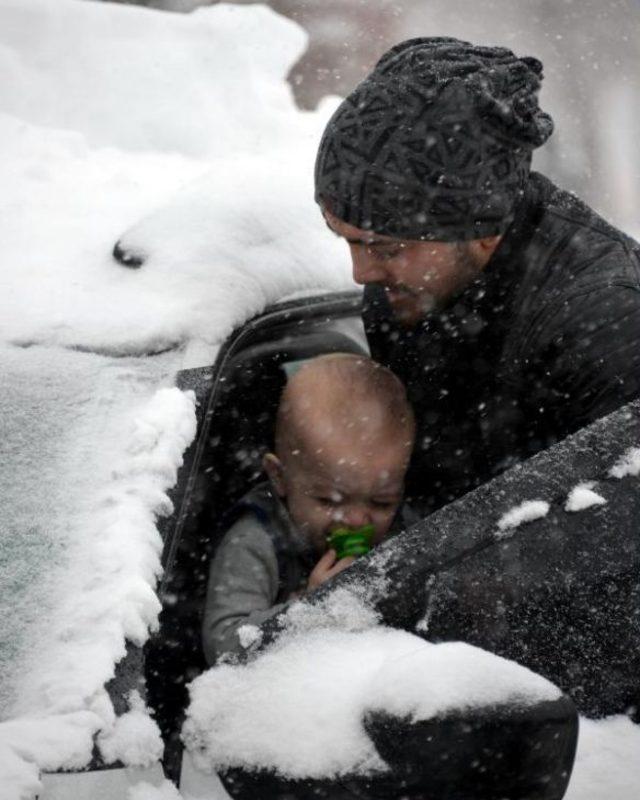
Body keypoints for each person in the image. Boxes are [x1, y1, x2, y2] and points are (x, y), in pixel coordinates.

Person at [314, 37, 640, 513]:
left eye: (385, 248)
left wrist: (406, 584)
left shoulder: (608, 322)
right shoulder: (409, 284)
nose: (361, 272)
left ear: (485, 230)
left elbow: (608, 544)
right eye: (344, 238)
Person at [202, 353, 415, 664]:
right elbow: (223, 647)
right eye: (329, 500)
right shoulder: (254, 542)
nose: (357, 520)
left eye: (381, 502)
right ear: (279, 477)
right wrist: (312, 610)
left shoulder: (403, 531)